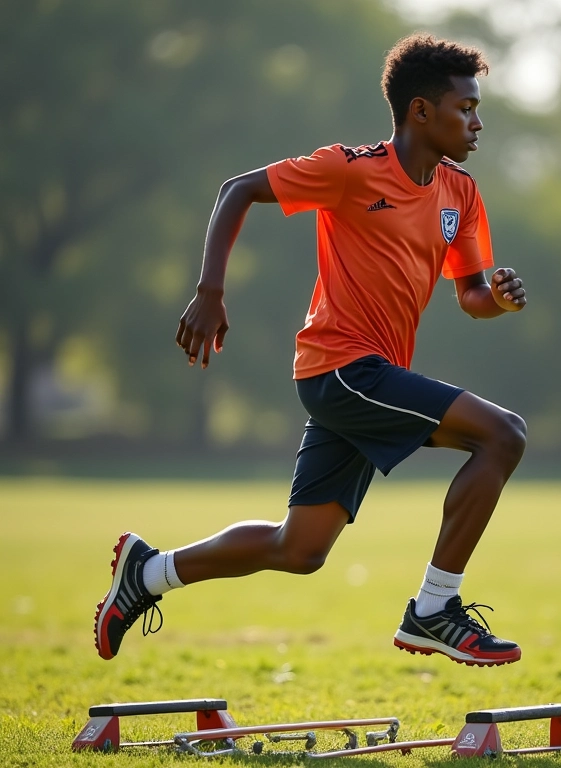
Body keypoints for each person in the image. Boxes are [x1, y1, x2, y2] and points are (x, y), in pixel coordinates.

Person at [94, 33, 528, 667]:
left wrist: (500, 298)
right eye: (466, 108)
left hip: (367, 379)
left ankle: (148, 572)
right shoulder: (350, 170)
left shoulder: (459, 194)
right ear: (420, 112)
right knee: (503, 436)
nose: (477, 121)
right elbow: (235, 190)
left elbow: (470, 294)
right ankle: (435, 609)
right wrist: (210, 291)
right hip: (341, 368)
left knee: (299, 550)